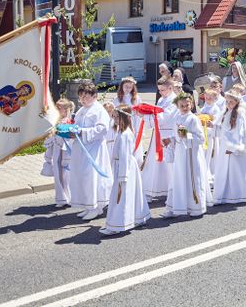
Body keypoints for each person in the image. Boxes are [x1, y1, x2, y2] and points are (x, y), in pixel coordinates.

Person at [100, 106, 150, 235]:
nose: (114, 119)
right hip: (122, 166)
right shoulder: (122, 133)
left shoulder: (125, 135)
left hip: (124, 168)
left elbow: (125, 157)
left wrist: (123, 176)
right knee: (131, 194)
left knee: (121, 196)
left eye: (117, 117)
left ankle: (117, 225)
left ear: (124, 117)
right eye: (114, 116)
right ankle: (136, 217)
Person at [161, 93, 213, 218]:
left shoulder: (193, 119)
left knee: (191, 179)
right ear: (177, 106)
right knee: (178, 179)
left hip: (191, 155)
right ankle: (175, 207)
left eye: (187, 105)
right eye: (182, 106)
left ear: (192, 104)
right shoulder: (177, 118)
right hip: (180, 154)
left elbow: (200, 138)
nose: (185, 107)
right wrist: (170, 140)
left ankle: (196, 207)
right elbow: (177, 135)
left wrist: (186, 135)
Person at [69, 82, 113, 221]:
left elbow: (102, 129)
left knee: (91, 177)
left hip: (94, 149)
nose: (83, 100)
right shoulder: (81, 110)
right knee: (82, 176)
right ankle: (88, 205)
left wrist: (82, 132)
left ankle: (96, 207)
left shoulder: (99, 110)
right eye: (81, 96)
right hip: (81, 148)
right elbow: (76, 127)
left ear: (95, 96)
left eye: (86, 96)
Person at [213, 89, 246, 205]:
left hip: (234, 146)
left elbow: (239, 133)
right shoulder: (226, 113)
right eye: (227, 102)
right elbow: (223, 130)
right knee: (226, 170)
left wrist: (233, 147)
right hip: (226, 145)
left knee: (238, 171)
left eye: (231, 102)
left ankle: (242, 194)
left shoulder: (239, 115)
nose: (228, 104)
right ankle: (227, 194)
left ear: (237, 102)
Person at [139, 77, 177, 201]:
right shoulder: (161, 99)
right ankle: (153, 189)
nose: (160, 92)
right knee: (154, 163)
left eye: (163, 90)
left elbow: (165, 117)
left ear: (170, 88)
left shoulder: (174, 100)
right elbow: (156, 113)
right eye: (159, 90)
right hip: (158, 133)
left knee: (167, 163)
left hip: (168, 134)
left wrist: (145, 116)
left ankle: (171, 189)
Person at [42, 98, 75, 208]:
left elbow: (69, 137)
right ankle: (62, 198)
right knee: (58, 174)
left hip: (65, 151)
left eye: (58, 107)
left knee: (65, 175)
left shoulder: (68, 121)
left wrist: (57, 134)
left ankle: (68, 198)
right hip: (57, 150)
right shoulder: (56, 120)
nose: (56, 109)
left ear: (65, 109)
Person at [113, 77, 143, 165]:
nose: (128, 89)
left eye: (130, 87)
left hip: (133, 122)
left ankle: (134, 162)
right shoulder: (117, 99)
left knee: (133, 142)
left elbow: (139, 112)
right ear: (122, 86)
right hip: (121, 123)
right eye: (126, 86)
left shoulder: (136, 98)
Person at [199, 89, 221, 182]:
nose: (208, 100)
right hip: (204, 132)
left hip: (211, 134)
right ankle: (204, 171)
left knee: (210, 153)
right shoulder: (204, 106)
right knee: (204, 153)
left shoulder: (215, 108)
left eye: (210, 98)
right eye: (206, 98)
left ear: (215, 99)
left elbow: (218, 118)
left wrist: (212, 122)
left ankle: (211, 172)